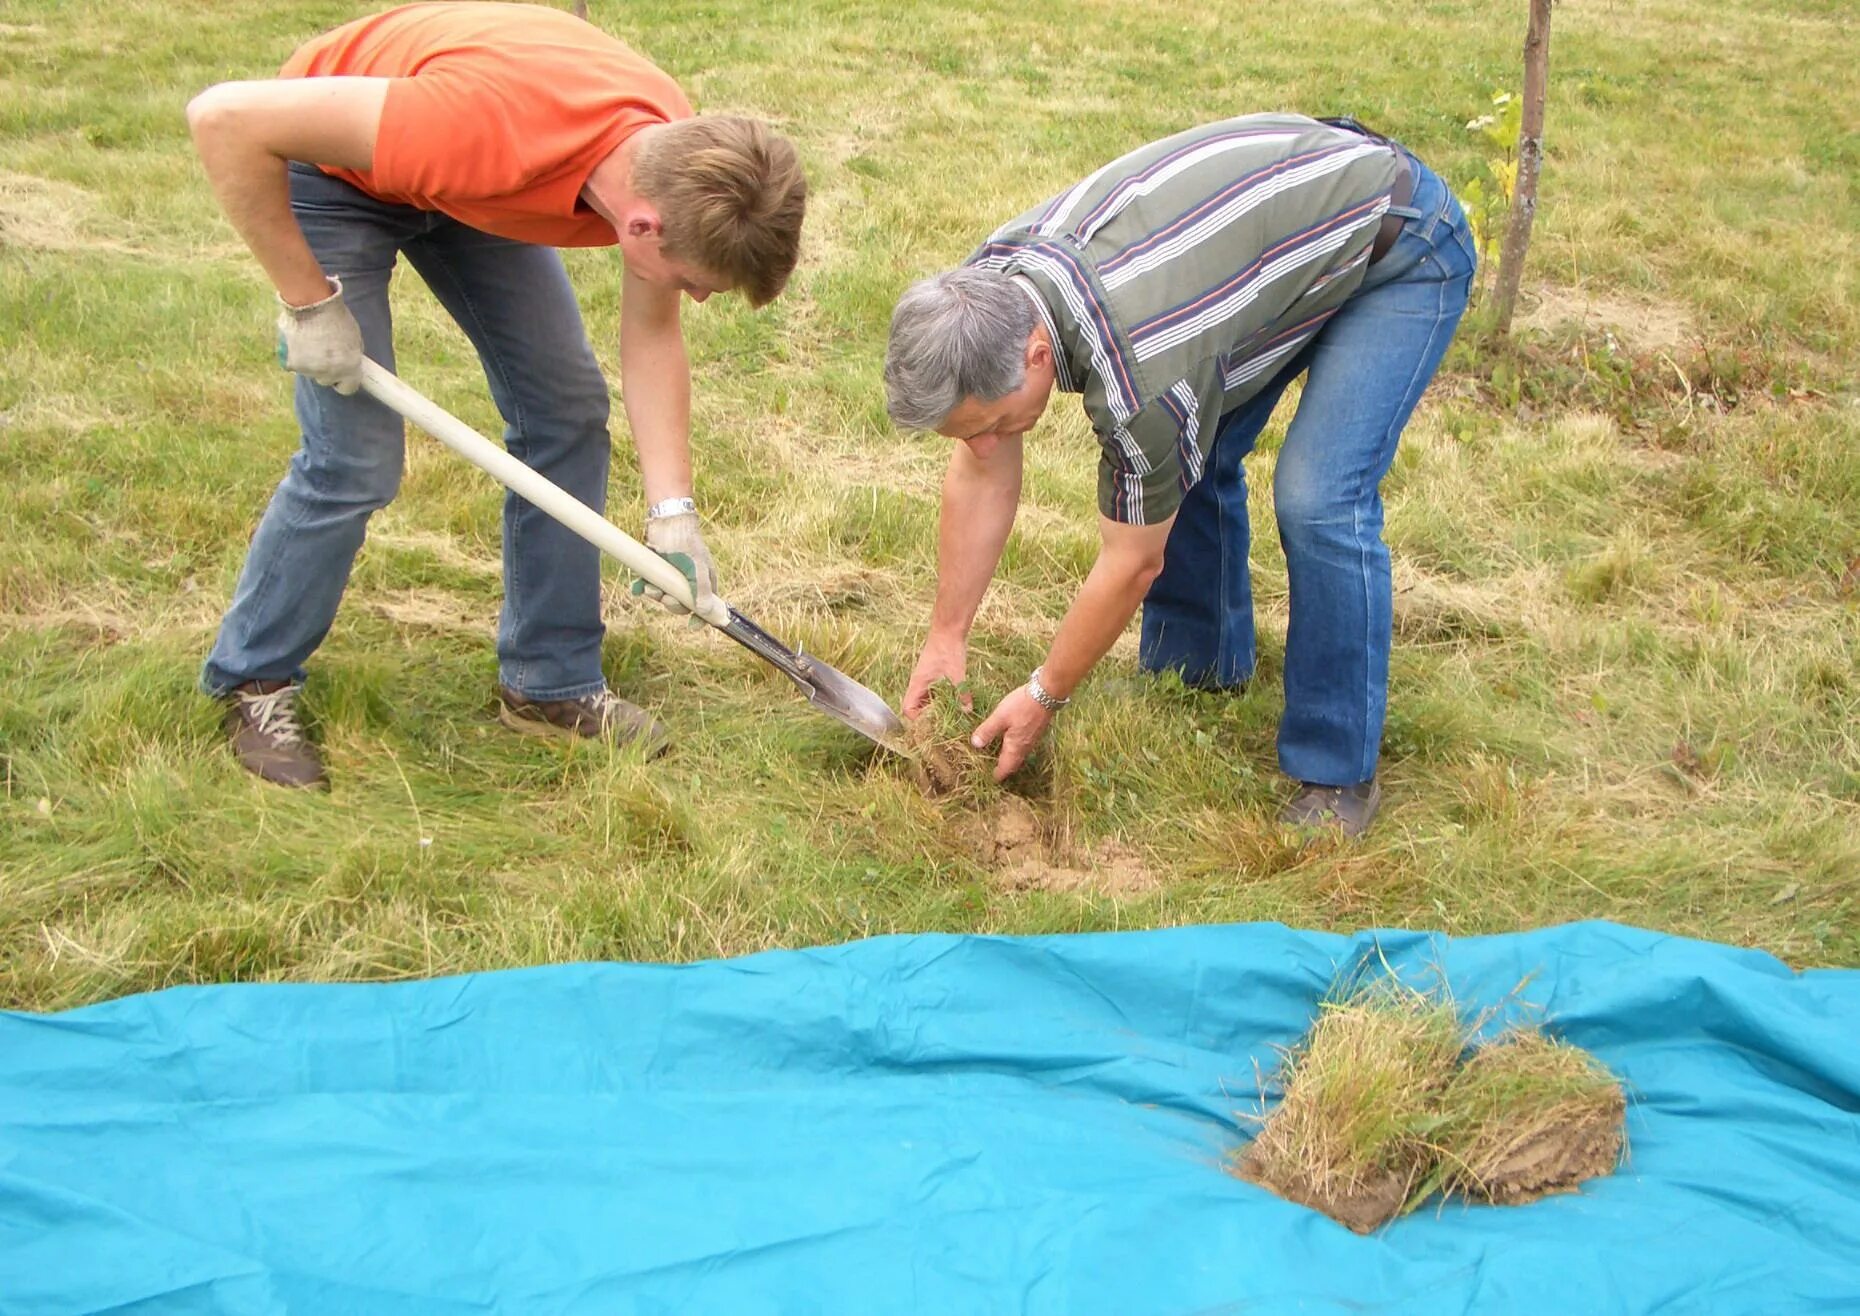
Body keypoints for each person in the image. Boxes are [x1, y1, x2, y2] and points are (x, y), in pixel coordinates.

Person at [187, 2, 806, 787]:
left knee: (566, 412)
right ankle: (253, 677)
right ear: (644, 228)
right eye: (697, 284)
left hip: (464, 187)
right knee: (356, 458)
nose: (701, 300)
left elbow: (652, 338)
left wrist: (672, 513)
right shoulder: (479, 127)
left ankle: (548, 682)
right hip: (333, 165)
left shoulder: (679, 167)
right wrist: (308, 304)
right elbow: (223, 118)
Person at [885, 114, 1474, 837]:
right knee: (1192, 439)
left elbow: (1133, 561)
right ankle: (1196, 668)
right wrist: (947, 637)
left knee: (1318, 498)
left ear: (1037, 354)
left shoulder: (1141, 372)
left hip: (1400, 240)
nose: (985, 445)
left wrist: (1047, 691)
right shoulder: (987, 296)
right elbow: (983, 475)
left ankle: (1336, 770)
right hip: (1273, 243)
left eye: (991, 425)